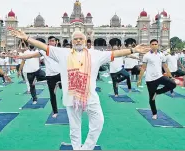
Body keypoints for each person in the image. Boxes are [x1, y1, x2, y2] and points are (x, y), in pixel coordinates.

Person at [11, 29, 150, 150]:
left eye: (80, 39)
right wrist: (26, 38)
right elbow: (44, 46)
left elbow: (115, 53)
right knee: (74, 127)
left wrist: (134, 50)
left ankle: (87, 148)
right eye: (75, 39)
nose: (78, 41)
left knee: (99, 122)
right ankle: (77, 148)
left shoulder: (95, 54)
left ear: (85, 40)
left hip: (90, 97)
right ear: (72, 41)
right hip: (72, 98)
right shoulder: (62, 53)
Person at [16, 36, 62, 118]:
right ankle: (55, 111)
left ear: (56, 42)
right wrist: (20, 57)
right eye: (50, 41)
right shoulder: (44, 51)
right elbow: (31, 56)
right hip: (50, 76)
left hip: (61, 74)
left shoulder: (60, 51)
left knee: (67, 91)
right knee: (52, 94)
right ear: (48, 42)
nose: (51, 42)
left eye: (53, 41)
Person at [137, 39, 176, 120]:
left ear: (158, 45)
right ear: (150, 45)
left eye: (156, 44)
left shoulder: (161, 55)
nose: (154, 45)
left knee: (173, 84)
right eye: (153, 44)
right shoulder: (146, 56)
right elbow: (143, 68)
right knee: (151, 98)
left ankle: (157, 92)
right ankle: (154, 113)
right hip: (150, 79)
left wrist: (170, 76)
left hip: (160, 77)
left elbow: (165, 67)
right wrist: (139, 79)